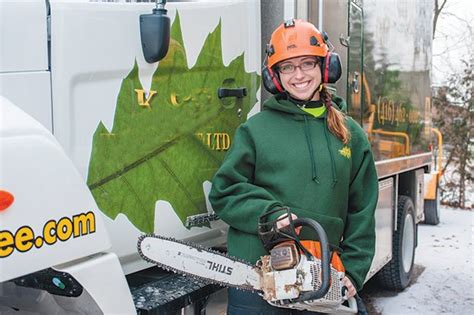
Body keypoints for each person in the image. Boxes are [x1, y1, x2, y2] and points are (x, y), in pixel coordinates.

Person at [209, 19, 378, 315]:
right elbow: (226, 191)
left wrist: (353, 268)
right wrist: (269, 214)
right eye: (287, 67)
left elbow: (361, 209)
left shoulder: (350, 134)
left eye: (307, 64)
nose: (298, 75)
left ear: (325, 68)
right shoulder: (256, 130)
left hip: (320, 273)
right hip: (257, 275)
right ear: (274, 76)